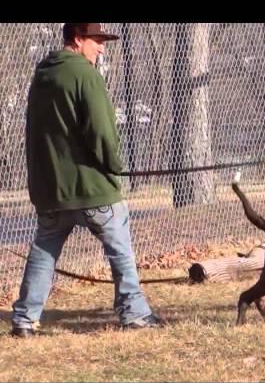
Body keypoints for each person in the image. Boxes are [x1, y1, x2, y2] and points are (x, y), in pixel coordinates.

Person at [11, 23, 163, 337]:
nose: (102, 48)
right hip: (93, 188)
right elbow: (102, 131)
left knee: (43, 251)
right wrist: (116, 166)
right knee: (119, 249)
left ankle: (25, 319)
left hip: (52, 190)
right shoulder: (86, 75)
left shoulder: (42, 76)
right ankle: (133, 313)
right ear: (78, 39)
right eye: (97, 41)